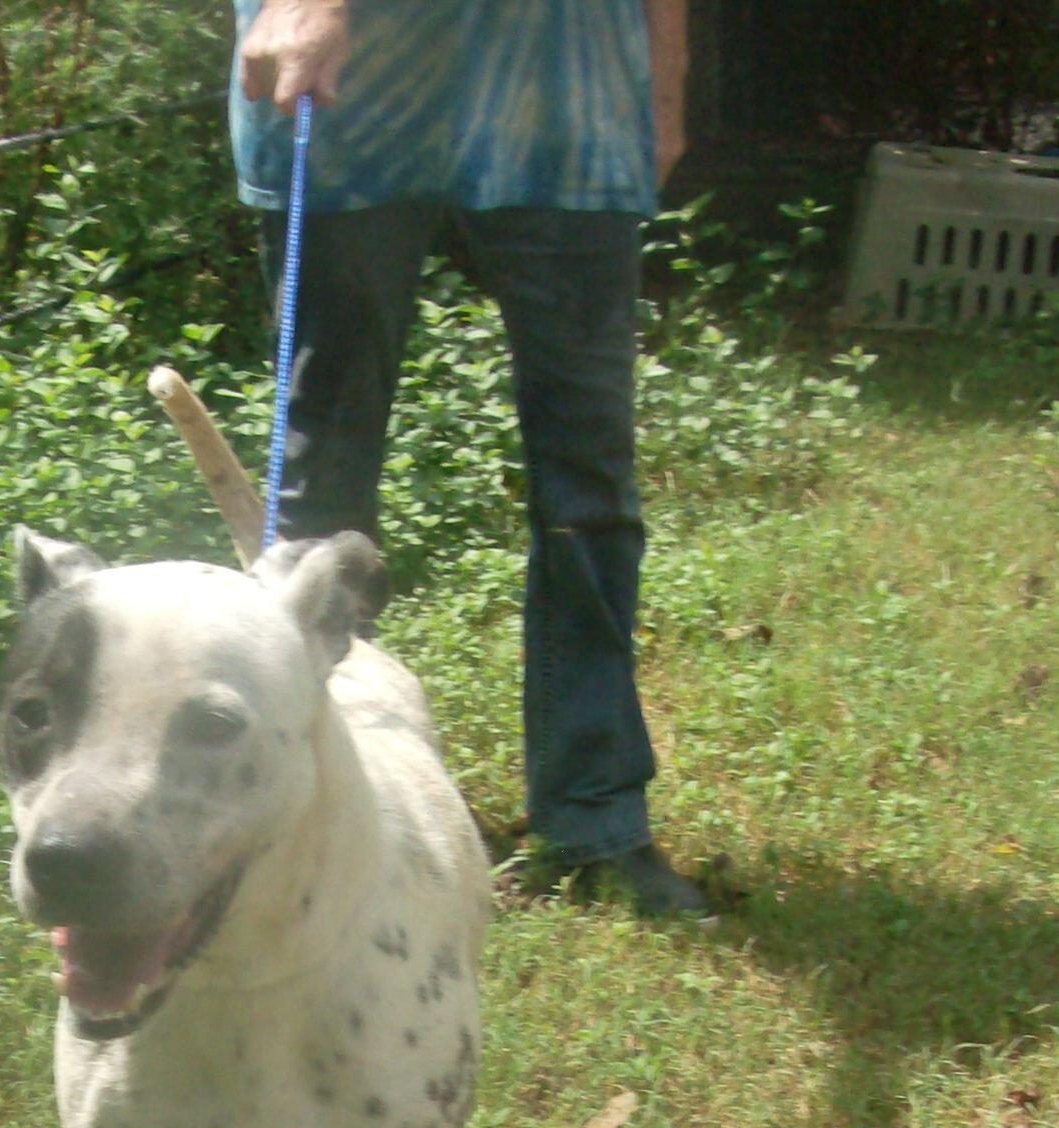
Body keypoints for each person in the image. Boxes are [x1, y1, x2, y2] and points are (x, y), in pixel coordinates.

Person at [233, 0, 709, 917]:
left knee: (588, 484)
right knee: (321, 489)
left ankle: (595, 818)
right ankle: (307, 813)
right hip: (355, 95)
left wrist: (665, 74)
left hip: (570, 96)